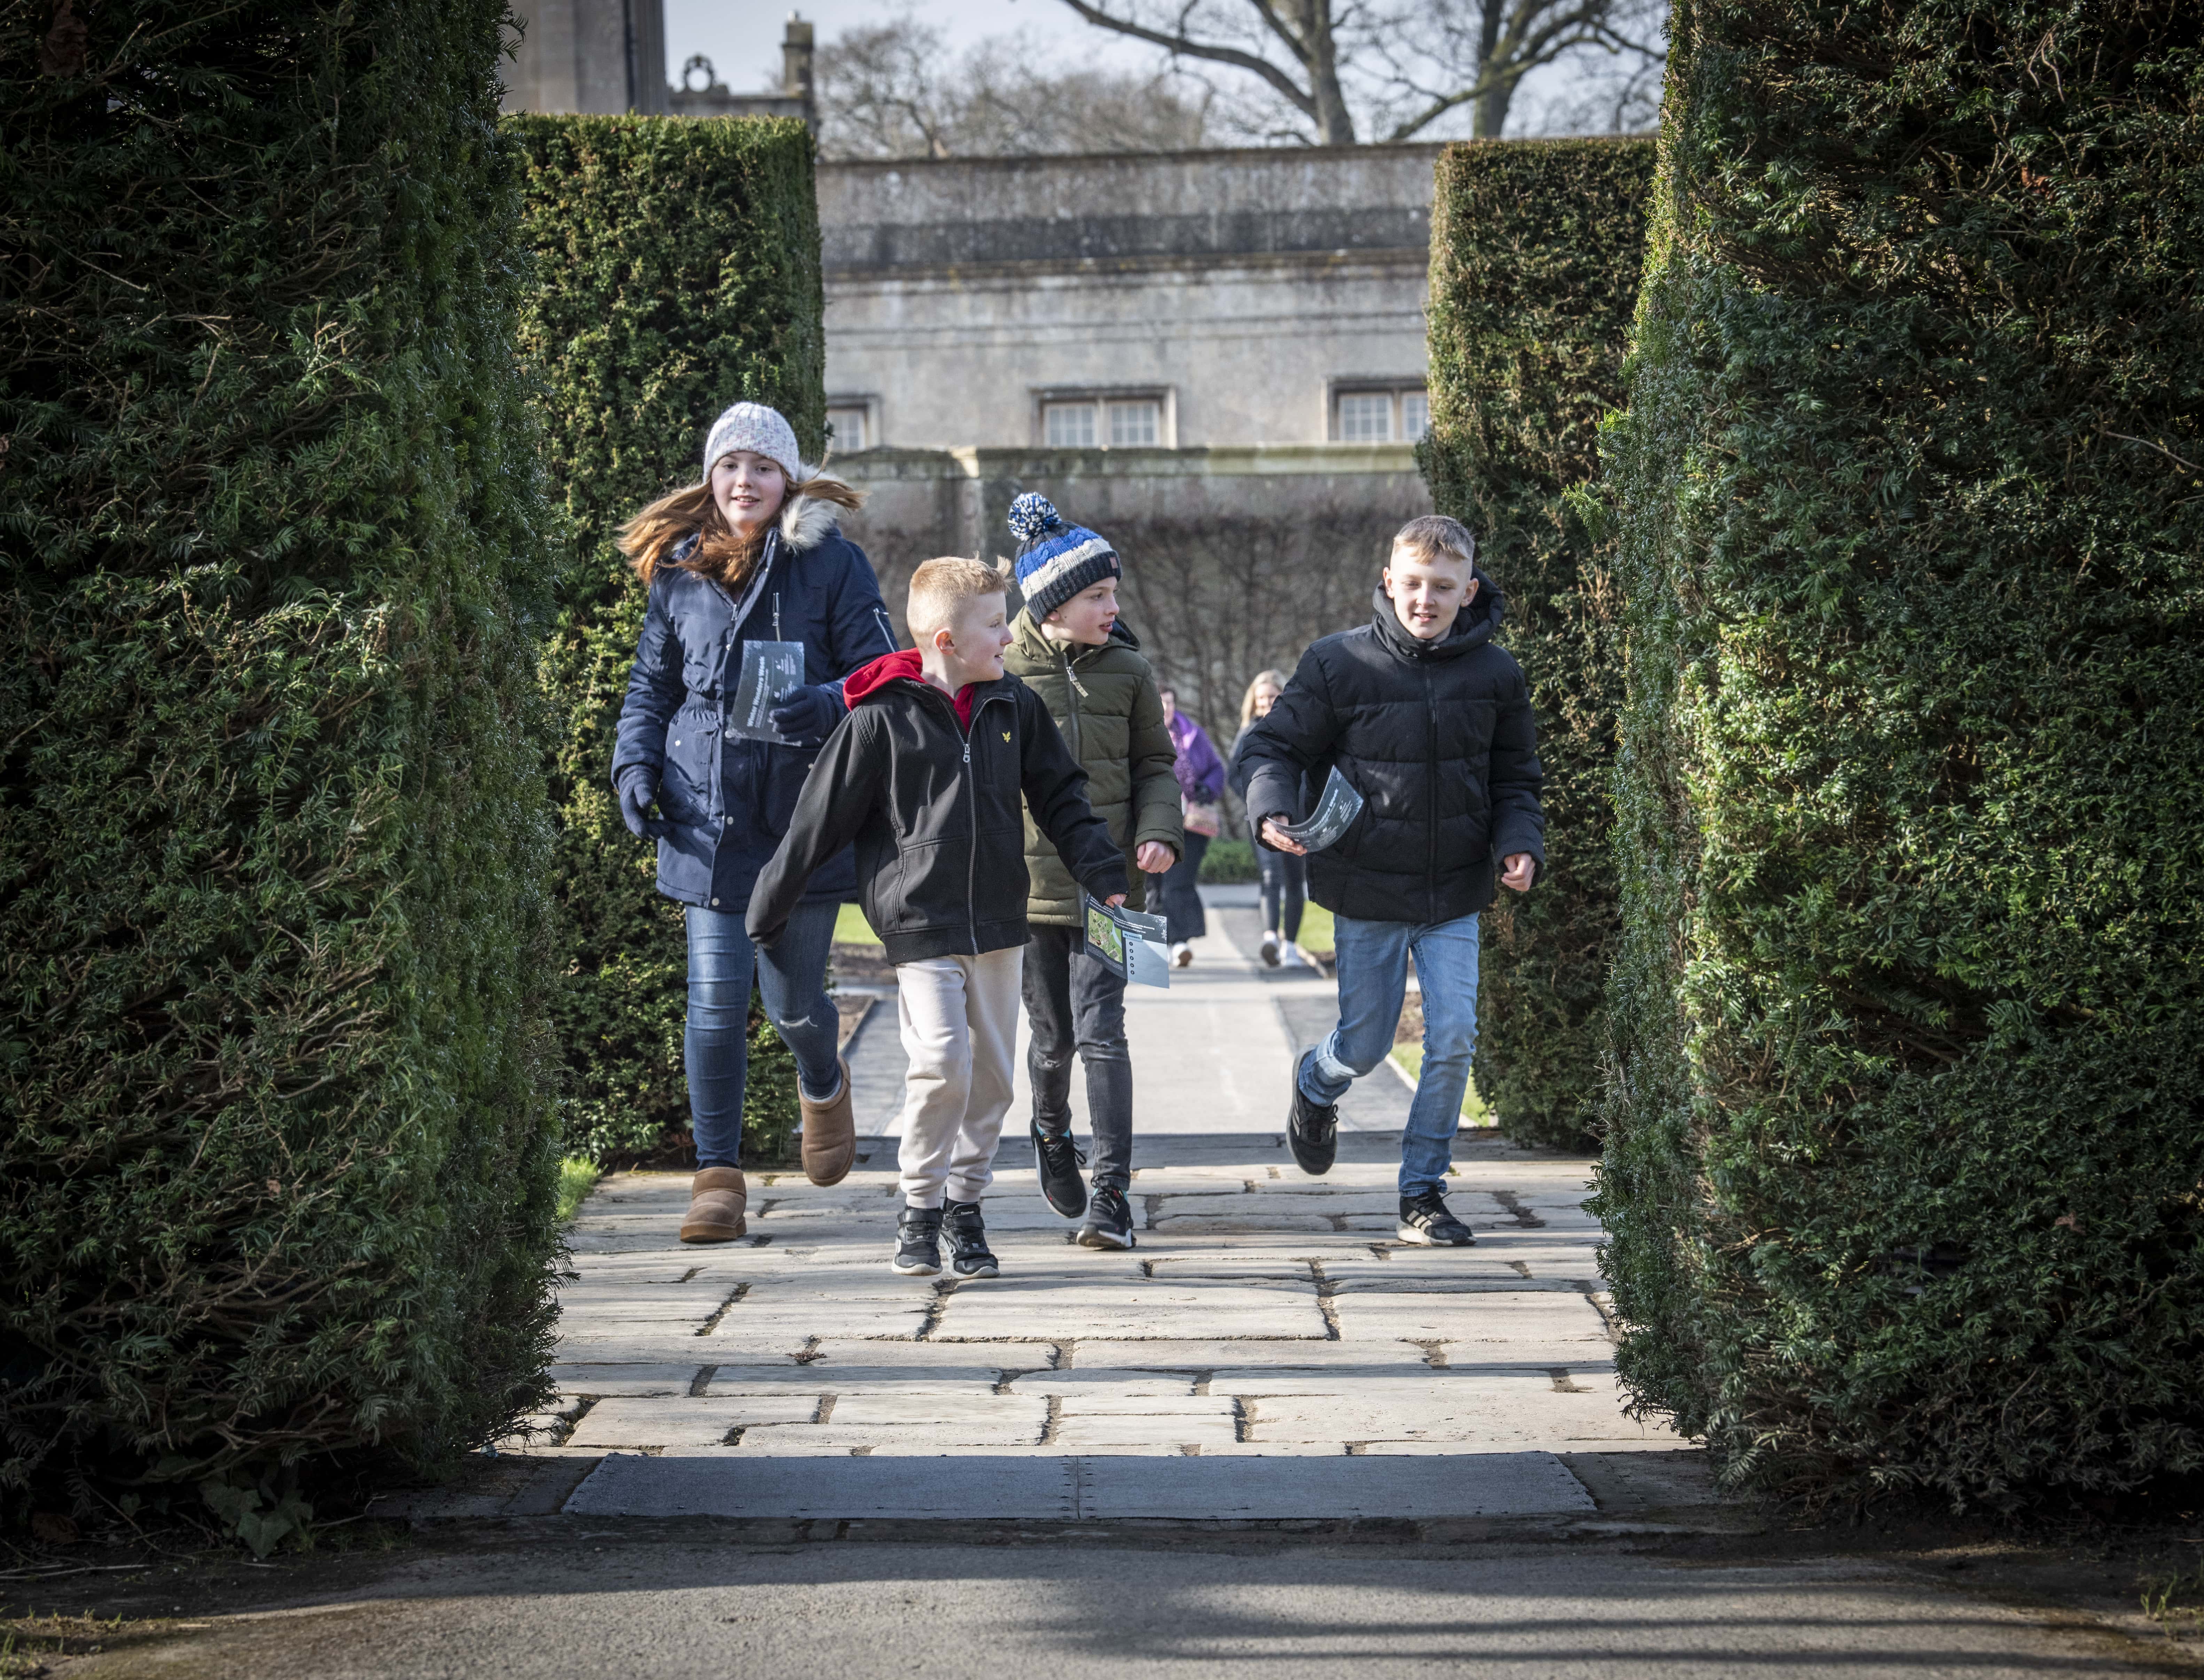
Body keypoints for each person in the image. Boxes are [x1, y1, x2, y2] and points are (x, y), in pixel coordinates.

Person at [747, 558, 1128, 1279]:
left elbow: (1064, 800)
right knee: (941, 1060)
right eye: (996, 625)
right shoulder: (881, 718)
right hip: (919, 922)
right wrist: (770, 904)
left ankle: (965, 1205)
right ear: (948, 639)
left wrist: (1103, 873)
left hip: (998, 922)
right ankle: (919, 1209)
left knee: (991, 1080)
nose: (1010, 639)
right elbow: (817, 823)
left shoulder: (1014, 708)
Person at [610, 402, 897, 1247]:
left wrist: (816, 705)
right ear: (712, 478)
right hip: (706, 818)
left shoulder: (834, 567)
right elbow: (649, 690)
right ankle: (718, 1177)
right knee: (713, 1003)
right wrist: (633, 767)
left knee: (795, 1006)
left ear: (788, 481)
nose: (745, 481)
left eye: (763, 467)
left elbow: (882, 672)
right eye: (730, 465)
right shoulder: (678, 572)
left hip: (801, 821)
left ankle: (822, 1074)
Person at [1240, 514, 1543, 1247]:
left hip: (1453, 896)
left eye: (1443, 587)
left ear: (1469, 590)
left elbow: (1516, 779)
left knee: (1453, 1037)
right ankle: (1318, 1081)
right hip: (1367, 889)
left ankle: (1423, 1190)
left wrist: (1519, 843)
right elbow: (1270, 747)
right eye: (1413, 584)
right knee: (1369, 1044)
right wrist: (1272, 808)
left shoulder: (1497, 674)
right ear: (1389, 581)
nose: (1425, 599)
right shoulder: (1337, 664)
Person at [1001, 493, 1183, 1248]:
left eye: (1114, 593)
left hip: (1115, 885)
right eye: (1098, 596)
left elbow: (1157, 765)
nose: (1114, 606)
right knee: (1052, 1042)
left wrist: (1160, 830)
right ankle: (1050, 1131)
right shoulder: (1002, 671)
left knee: (1106, 1032)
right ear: (1053, 603)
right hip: (1031, 894)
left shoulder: (1132, 670)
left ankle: (1113, 1194)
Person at [1227, 669, 1308, 969]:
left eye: (1272, 696)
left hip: (1299, 818)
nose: (1266, 703)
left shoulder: (1298, 728)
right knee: (1271, 876)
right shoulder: (1249, 733)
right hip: (1264, 821)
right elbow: (1233, 775)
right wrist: (1257, 803)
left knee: (1295, 880)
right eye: (1261, 698)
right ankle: (1271, 937)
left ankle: (1291, 946)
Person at [1149, 685, 1226, 967]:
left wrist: (1208, 789)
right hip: (1152, 821)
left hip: (1191, 823)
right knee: (1154, 884)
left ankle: (1179, 941)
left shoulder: (1192, 735)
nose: (1165, 709)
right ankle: (1159, 945)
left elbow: (1217, 769)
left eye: (1170, 703)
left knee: (1178, 882)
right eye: (1160, 703)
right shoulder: (1140, 732)